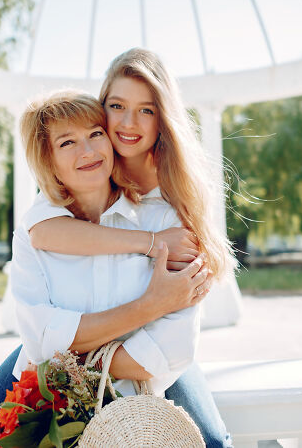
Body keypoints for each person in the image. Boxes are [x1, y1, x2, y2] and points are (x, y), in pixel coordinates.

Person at [0, 90, 210, 447]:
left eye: (95, 134)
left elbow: (170, 350)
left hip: (138, 399)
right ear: (48, 160)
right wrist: (152, 304)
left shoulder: (163, 218)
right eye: (67, 142)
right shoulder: (35, 230)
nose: (88, 151)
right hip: (53, 398)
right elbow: (41, 344)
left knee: (212, 442)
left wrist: (69, 352)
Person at [23, 48, 235, 447]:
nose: (128, 123)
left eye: (146, 110)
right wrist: (151, 246)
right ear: (101, 108)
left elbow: (175, 328)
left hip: (136, 351)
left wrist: (78, 352)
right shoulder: (85, 170)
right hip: (69, 350)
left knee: (211, 441)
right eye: (116, 106)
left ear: (163, 119)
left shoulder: (175, 199)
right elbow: (42, 233)